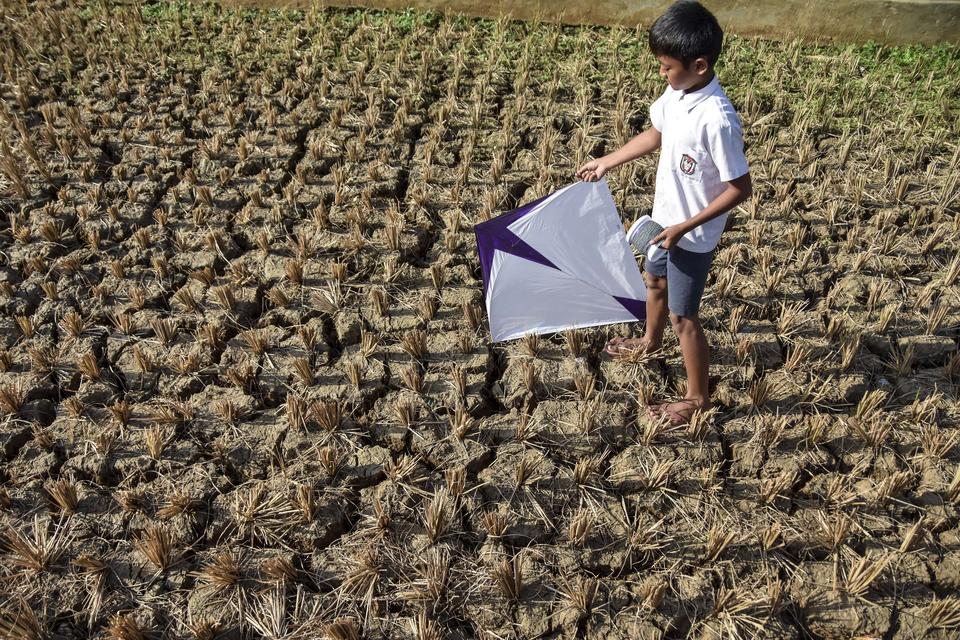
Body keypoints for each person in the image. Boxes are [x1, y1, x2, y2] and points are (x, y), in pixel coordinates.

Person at [576, 0, 752, 426]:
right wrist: (608, 161)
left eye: (667, 66)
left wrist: (684, 227)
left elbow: (740, 188)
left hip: (691, 236)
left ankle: (697, 398)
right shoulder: (677, 93)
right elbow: (656, 133)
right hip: (661, 224)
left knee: (683, 316)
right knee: (653, 280)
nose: (661, 73)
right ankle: (650, 342)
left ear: (700, 64)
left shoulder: (718, 119)